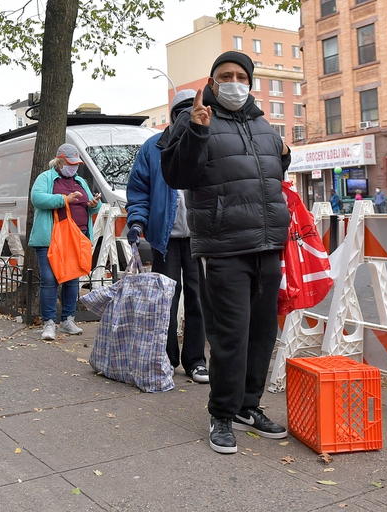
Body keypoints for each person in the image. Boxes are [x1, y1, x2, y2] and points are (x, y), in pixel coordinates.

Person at [160, 51, 290, 454]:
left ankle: (248, 406)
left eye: (240, 75)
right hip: (224, 245)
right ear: (213, 82)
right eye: (224, 76)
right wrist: (197, 132)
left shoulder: (264, 125)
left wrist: (285, 155)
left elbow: (268, 176)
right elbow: (175, 175)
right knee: (230, 335)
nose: (233, 81)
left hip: (268, 244)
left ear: (249, 82)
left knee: (262, 334)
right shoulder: (195, 118)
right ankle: (221, 413)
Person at [126, 89, 209, 384]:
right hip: (165, 239)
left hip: (201, 237)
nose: (186, 115)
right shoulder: (152, 147)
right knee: (166, 301)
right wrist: (136, 222)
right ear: (173, 115)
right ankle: (166, 356)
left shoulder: (208, 141)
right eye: (181, 110)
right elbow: (138, 191)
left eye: (192, 108)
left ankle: (196, 360)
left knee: (200, 300)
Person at [29, 143, 102, 341]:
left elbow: (92, 207)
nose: (74, 167)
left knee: (72, 278)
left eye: (76, 164)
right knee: (49, 279)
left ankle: (68, 320)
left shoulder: (80, 180)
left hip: (77, 236)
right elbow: (36, 198)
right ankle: (49, 322)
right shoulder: (45, 178)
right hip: (51, 237)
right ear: (59, 161)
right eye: (70, 163)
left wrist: (94, 205)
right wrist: (64, 199)